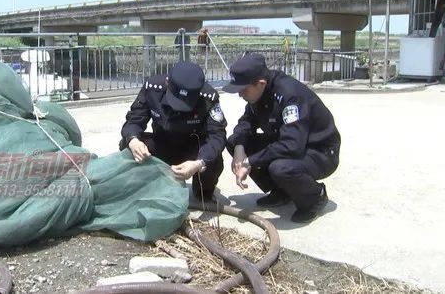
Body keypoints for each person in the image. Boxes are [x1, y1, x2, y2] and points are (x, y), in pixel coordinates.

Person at [223, 53, 340, 223]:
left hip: (319, 150)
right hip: (289, 142)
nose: (240, 94)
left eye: (243, 89)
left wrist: (250, 162)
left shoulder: (289, 96)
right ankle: (283, 191)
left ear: (261, 83)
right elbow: (246, 122)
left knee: (281, 168)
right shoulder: (259, 92)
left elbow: (292, 145)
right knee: (235, 140)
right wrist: (239, 148)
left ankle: (315, 196)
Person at [120, 61, 226, 201]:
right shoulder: (153, 88)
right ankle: (142, 188)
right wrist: (133, 140)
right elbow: (134, 120)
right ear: (167, 82)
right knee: (127, 144)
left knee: (213, 159)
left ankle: (203, 194)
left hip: (192, 150)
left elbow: (217, 136)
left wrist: (199, 163)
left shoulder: (208, 98)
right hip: (162, 144)